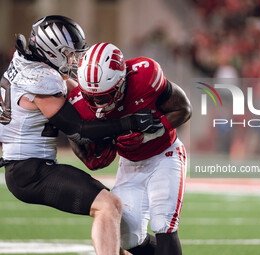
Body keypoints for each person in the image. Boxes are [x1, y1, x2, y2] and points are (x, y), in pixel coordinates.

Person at [0, 16, 160, 255]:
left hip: (26, 167)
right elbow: (79, 131)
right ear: (50, 50)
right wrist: (130, 122)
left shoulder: (26, 63)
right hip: (30, 172)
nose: (74, 60)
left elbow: (71, 89)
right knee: (108, 205)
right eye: (69, 53)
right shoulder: (41, 80)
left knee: (111, 211)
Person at [68, 42, 192, 255]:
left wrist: (148, 134)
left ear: (121, 83)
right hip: (129, 164)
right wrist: (89, 155)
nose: (97, 104)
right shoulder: (78, 101)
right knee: (128, 236)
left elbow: (184, 109)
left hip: (165, 154)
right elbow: (79, 142)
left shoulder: (145, 76)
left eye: (103, 96)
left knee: (164, 223)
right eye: (90, 96)